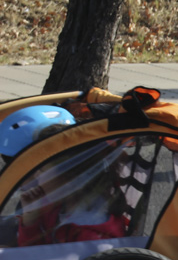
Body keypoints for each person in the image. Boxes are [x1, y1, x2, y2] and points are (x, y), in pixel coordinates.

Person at [0, 105, 127, 247]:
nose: (35, 175)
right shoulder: (57, 205)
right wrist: (31, 217)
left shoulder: (92, 236)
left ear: (70, 179)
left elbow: (32, 259)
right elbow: (32, 250)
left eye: (41, 170)